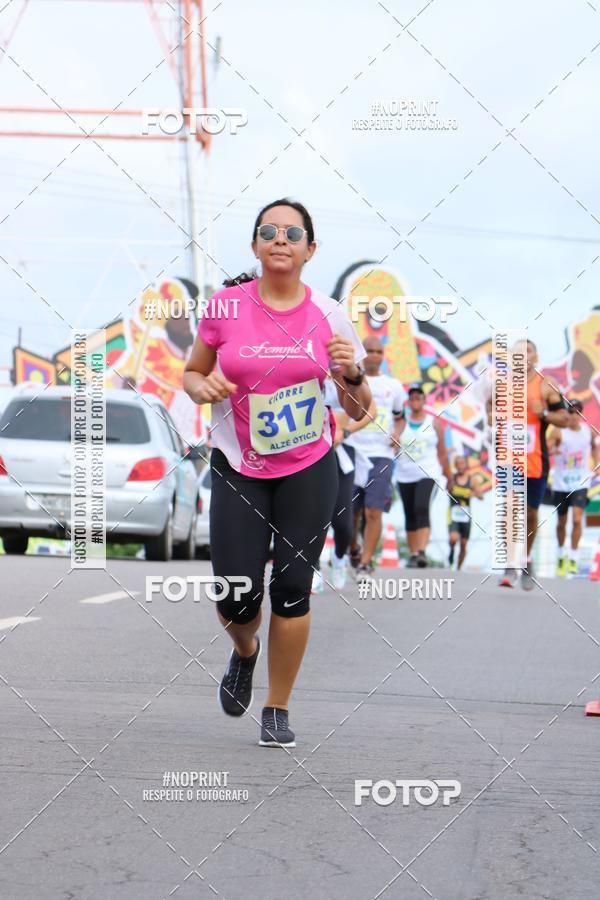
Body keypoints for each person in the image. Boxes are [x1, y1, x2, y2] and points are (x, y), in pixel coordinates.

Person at [183, 198, 371, 748]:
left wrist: (352, 373)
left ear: (311, 249)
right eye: (269, 231)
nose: (280, 238)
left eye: (293, 233)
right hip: (240, 465)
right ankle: (245, 651)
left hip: (308, 465)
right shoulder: (225, 307)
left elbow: (360, 410)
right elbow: (193, 372)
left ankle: (277, 707)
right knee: (236, 593)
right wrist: (203, 387)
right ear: (256, 246)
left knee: (292, 586)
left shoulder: (330, 316)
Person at [498, 340, 568, 590]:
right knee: (508, 508)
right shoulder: (502, 386)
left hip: (536, 459)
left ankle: (526, 559)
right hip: (508, 458)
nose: (522, 355)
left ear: (535, 358)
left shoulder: (546, 384)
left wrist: (545, 414)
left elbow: (565, 418)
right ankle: (509, 563)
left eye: (527, 350)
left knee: (529, 513)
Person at [345, 336, 406, 582]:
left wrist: (397, 433)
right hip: (352, 450)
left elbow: (400, 418)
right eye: (369, 351)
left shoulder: (394, 386)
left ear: (384, 355)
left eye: (378, 351)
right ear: (362, 352)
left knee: (374, 511)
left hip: (381, 455)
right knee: (349, 513)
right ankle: (353, 549)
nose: (374, 355)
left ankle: (365, 564)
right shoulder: (351, 380)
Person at [322, 377, 375, 590]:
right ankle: (311, 568)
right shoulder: (304, 366)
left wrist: (346, 432)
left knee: (343, 523)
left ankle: (339, 556)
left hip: (342, 452)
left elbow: (371, 411)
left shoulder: (345, 372)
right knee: (313, 516)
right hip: (310, 453)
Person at [395, 384, 453, 568]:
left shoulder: (434, 422)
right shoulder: (401, 422)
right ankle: (413, 554)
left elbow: (442, 453)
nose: (415, 401)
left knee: (421, 507)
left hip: (428, 473)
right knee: (409, 513)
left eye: (418, 397)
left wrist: (449, 477)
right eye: (412, 398)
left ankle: (421, 552)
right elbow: (393, 445)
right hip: (404, 475)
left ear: (424, 400)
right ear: (408, 402)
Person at [548, 399, 598, 577]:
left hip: (580, 483)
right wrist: (554, 451)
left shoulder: (587, 432)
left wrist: (596, 463)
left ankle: (574, 558)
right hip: (561, 483)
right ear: (567, 414)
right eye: (571, 412)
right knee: (561, 522)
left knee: (577, 520)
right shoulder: (559, 431)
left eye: (578, 413)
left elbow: (594, 447)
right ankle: (561, 554)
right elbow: (547, 449)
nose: (574, 416)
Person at [447, 455, 483, 570]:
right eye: (459, 464)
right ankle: (452, 550)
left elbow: (481, 495)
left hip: (466, 516)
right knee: (453, 538)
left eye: (463, 463)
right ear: (456, 466)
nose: (461, 466)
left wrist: (473, 494)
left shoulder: (471, 480)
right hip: (453, 513)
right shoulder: (452, 478)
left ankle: (458, 567)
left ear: (466, 465)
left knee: (463, 544)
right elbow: (447, 489)